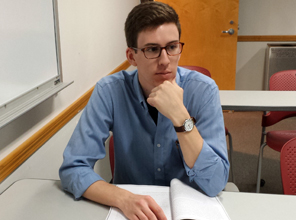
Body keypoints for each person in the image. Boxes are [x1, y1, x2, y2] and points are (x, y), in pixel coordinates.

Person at [59, 2, 229, 220]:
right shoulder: (110, 91)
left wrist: (181, 117)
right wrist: (122, 198)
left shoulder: (203, 91)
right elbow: (73, 168)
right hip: (129, 210)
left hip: (190, 208)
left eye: (172, 47)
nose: (165, 61)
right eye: (152, 50)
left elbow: (215, 183)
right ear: (131, 56)